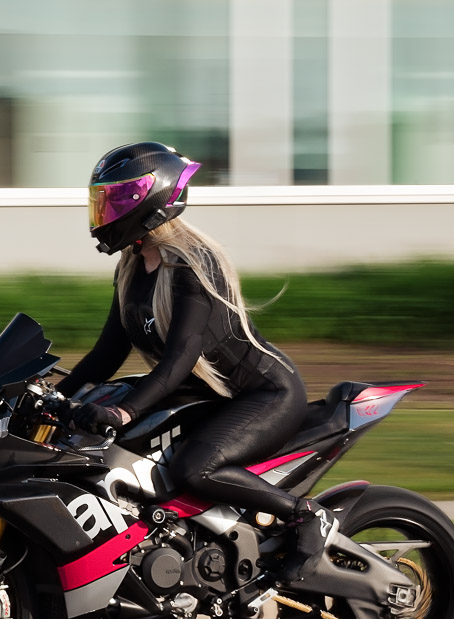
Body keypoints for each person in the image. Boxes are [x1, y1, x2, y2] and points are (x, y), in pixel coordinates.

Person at [55, 141, 336, 583]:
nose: (103, 212)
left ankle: (307, 517)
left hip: (264, 396)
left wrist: (122, 409)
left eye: (114, 200)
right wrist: (53, 397)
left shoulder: (193, 265)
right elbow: (106, 355)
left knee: (194, 467)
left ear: (149, 198)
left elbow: (180, 359)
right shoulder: (132, 267)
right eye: (100, 201)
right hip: (207, 396)